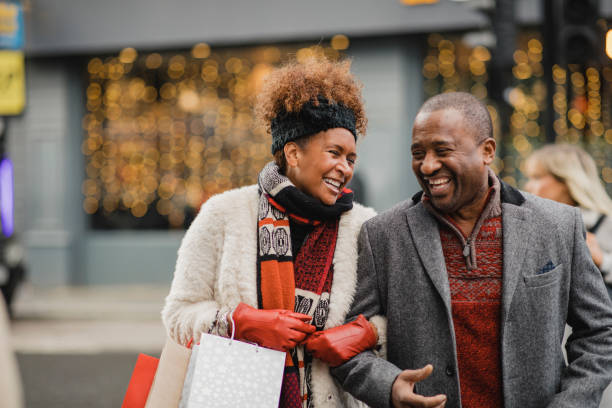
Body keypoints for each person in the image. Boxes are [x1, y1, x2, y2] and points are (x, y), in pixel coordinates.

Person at [332, 92, 612, 408]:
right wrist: (389, 385)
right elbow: (347, 344)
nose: (427, 165)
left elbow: (601, 332)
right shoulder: (383, 234)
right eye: (418, 153)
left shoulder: (558, 225)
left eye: (442, 151)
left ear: (487, 151)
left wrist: (570, 404)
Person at [162, 57, 382, 408]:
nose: (344, 168)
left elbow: (390, 316)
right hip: (237, 396)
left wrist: (366, 333)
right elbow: (178, 316)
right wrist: (243, 321)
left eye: (351, 158)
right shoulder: (224, 214)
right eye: (334, 153)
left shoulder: (364, 227)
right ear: (293, 153)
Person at [524, 143, 612, 299]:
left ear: (566, 180)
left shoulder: (605, 222)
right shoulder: (530, 226)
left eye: (537, 177)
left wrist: (602, 261)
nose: (528, 186)